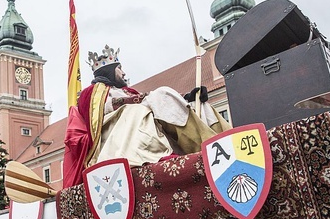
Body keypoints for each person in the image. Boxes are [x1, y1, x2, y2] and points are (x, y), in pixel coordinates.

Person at [64, 44, 231, 187]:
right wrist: (135, 100)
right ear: (109, 71)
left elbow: (150, 100)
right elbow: (100, 111)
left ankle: (221, 140)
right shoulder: (92, 93)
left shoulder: (127, 91)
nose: (123, 72)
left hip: (144, 123)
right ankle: (210, 148)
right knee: (154, 100)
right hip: (116, 137)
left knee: (193, 102)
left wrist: (186, 97)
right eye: (119, 68)